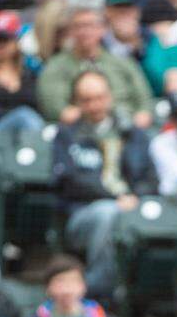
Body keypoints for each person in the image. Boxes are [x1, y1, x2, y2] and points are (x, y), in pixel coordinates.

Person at [54, 70, 157, 300]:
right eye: (87, 100)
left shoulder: (133, 133)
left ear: (110, 97)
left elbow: (151, 179)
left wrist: (134, 197)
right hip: (84, 214)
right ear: (77, 103)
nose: (95, 105)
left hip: (132, 206)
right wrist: (114, 199)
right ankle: (97, 290)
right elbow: (68, 180)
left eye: (100, 97)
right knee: (108, 213)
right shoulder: (67, 135)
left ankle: (148, 295)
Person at [38, 8, 155, 126]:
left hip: (126, 124)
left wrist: (143, 114)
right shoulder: (56, 66)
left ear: (103, 29)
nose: (84, 31)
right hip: (80, 128)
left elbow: (144, 97)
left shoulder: (121, 61)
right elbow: (54, 107)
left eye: (90, 25)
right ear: (70, 31)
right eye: (78, 26)